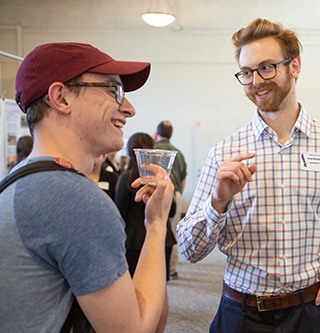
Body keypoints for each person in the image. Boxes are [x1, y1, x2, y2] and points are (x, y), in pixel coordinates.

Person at [177, 19, 320, 332]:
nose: (256, 80)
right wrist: (217, 202)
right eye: (246, 72)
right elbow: (191, 250)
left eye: (266, 67)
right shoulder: (224, 154)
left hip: (311, 310)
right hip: (241, 313)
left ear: (294, 66)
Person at [0, 42, 175, 332]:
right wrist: (156, 224)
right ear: (61, 98)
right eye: (113, 91)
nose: (128, 108)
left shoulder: (18, 180)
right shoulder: (74, 199)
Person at [115, 132, 177, 280]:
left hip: (135, 241)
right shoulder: (163, 178)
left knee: (136, 290)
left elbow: (119, 214)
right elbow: (172, 211)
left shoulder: (127, 178)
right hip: (163, 238)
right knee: (159, 288)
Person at [155, 120, 188, 279]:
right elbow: (183, 178)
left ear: (157, 132)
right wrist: (178, 193)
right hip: (175, 194)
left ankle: (155, 267)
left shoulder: (153, 151)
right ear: (172, 134)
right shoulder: (178, 153)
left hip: (155, 195)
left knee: (155, 229)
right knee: (173, 231)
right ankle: (172, 268)